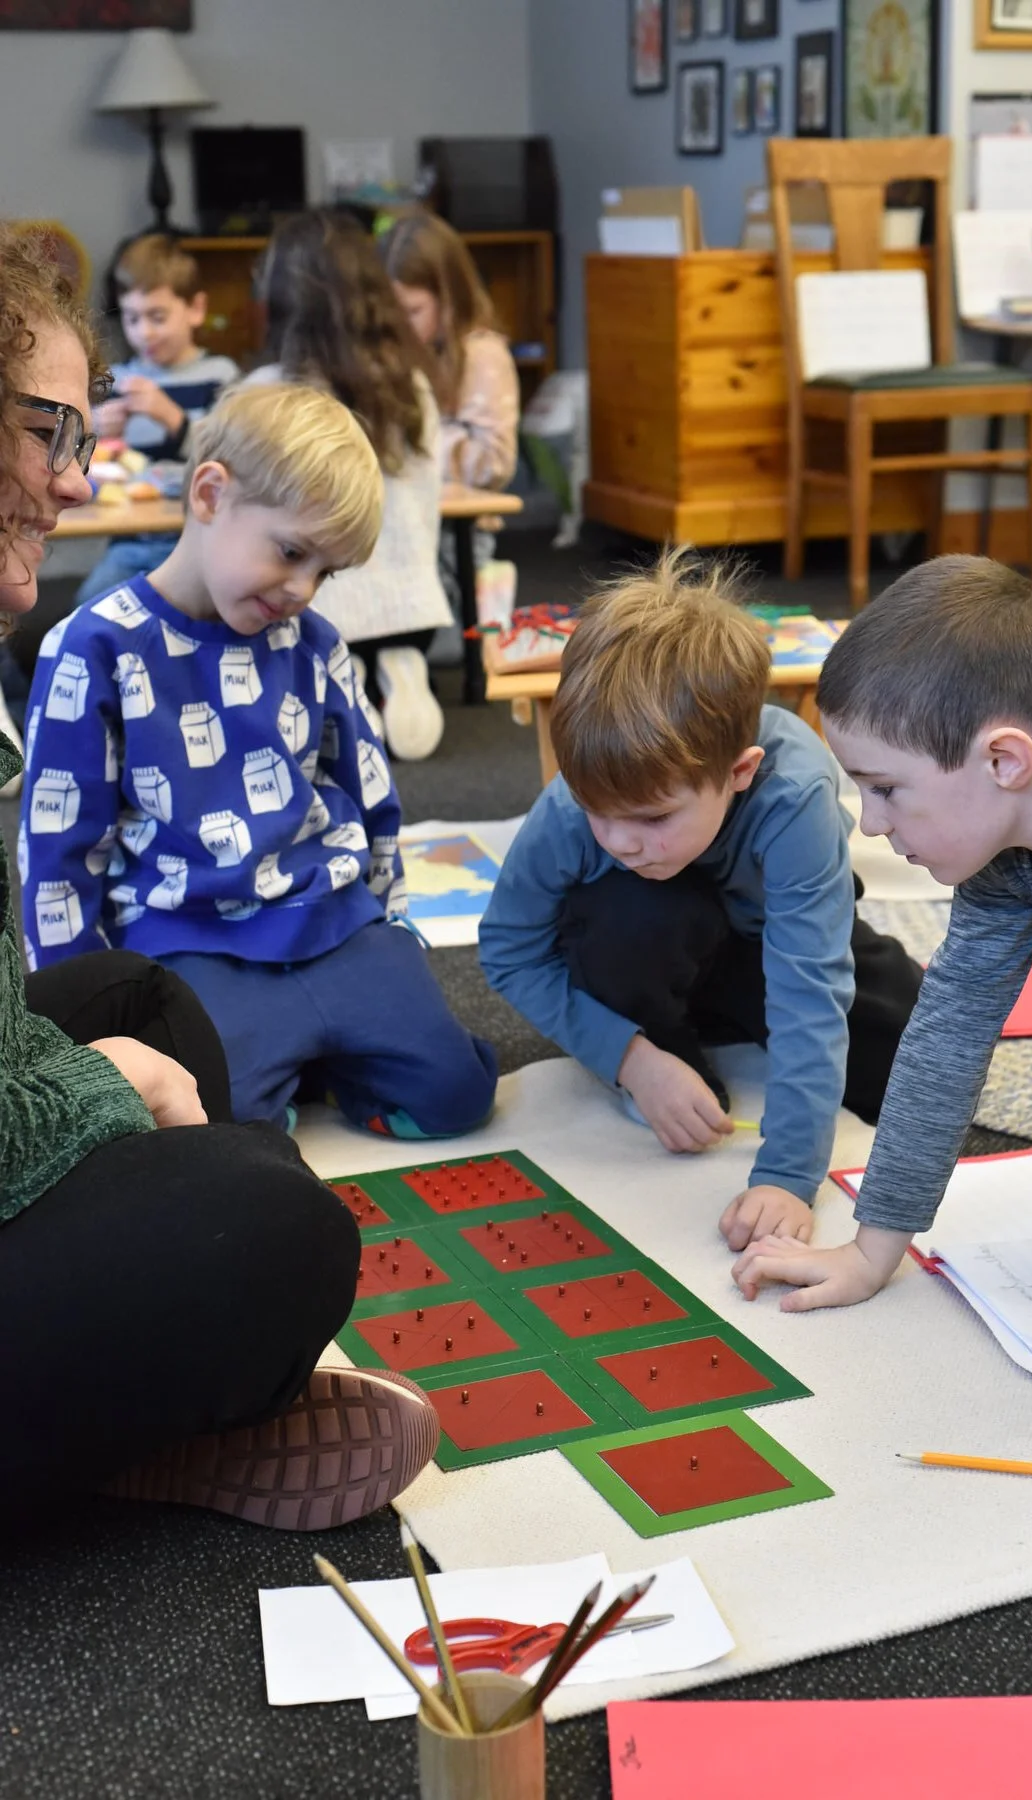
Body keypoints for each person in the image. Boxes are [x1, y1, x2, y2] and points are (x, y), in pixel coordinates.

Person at [0, 222, 438, 1529]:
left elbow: (353, 775)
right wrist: (89, 1096)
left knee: (147, 1005)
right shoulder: (101, 644)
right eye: (46, 431)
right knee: (273, 1225)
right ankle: (126, 1435)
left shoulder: (301, 646)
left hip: (295, 929)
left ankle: (115, 1416)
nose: (77, 484)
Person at [731, 554, 1032, 1513]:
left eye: (889, 790)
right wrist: (874, 1248)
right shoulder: (1013, 843)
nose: (871, 823)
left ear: (1003, 759)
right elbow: (948, 1035)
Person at [21, 378, 498, 1143]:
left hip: (334, 922)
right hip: (189, 941)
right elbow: (60, 845)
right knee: (211, 1129)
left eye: (327, 572)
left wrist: (395, 918)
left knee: (459, 1095)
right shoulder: (94, 647)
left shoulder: (315, 645)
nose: (305, 589)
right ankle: (286, 1060)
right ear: (210, 494)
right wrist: (88, 1017)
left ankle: (312, 1058)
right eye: (292, 552)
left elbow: (368, 794)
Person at [478, 554, 922, 1248]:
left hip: (757, 939)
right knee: (638, 913)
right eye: (600, 810)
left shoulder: (796, 797)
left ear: (739, 773)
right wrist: (632, 1059)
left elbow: (810, 986)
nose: (622, 839)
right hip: (640, 947)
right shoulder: (573, 806)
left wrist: (786, 1175)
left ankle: (714, 1028)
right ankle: (672, 1039)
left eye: (653, 818)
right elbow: (509, 950)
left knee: (906, 1059)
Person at [249, 209, 452, 761]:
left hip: (320, 609)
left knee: (309, 649)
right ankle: (400, 666)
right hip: (414, 608)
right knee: (392, 637)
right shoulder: (414, 389)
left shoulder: (269, 393)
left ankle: (349, 682)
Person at [75, 234, 239, 610]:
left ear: (195, 309)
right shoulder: (115, 380)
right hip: (131, 538)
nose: (143, 332)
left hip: (199, 534)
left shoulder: (218, 375)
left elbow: (231, 455)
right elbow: (92, 471)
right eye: (132, 318)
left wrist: (173, 417)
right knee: (90, 603)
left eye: (157, 317)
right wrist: (95, 436)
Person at [381, 207, 520, 493]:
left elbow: (497, 464)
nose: (400, 327)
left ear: (448, 300)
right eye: (390, 313)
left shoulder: (482, 355)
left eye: (412, 311)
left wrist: (408, 440)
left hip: (460, 528)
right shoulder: (393, 349)